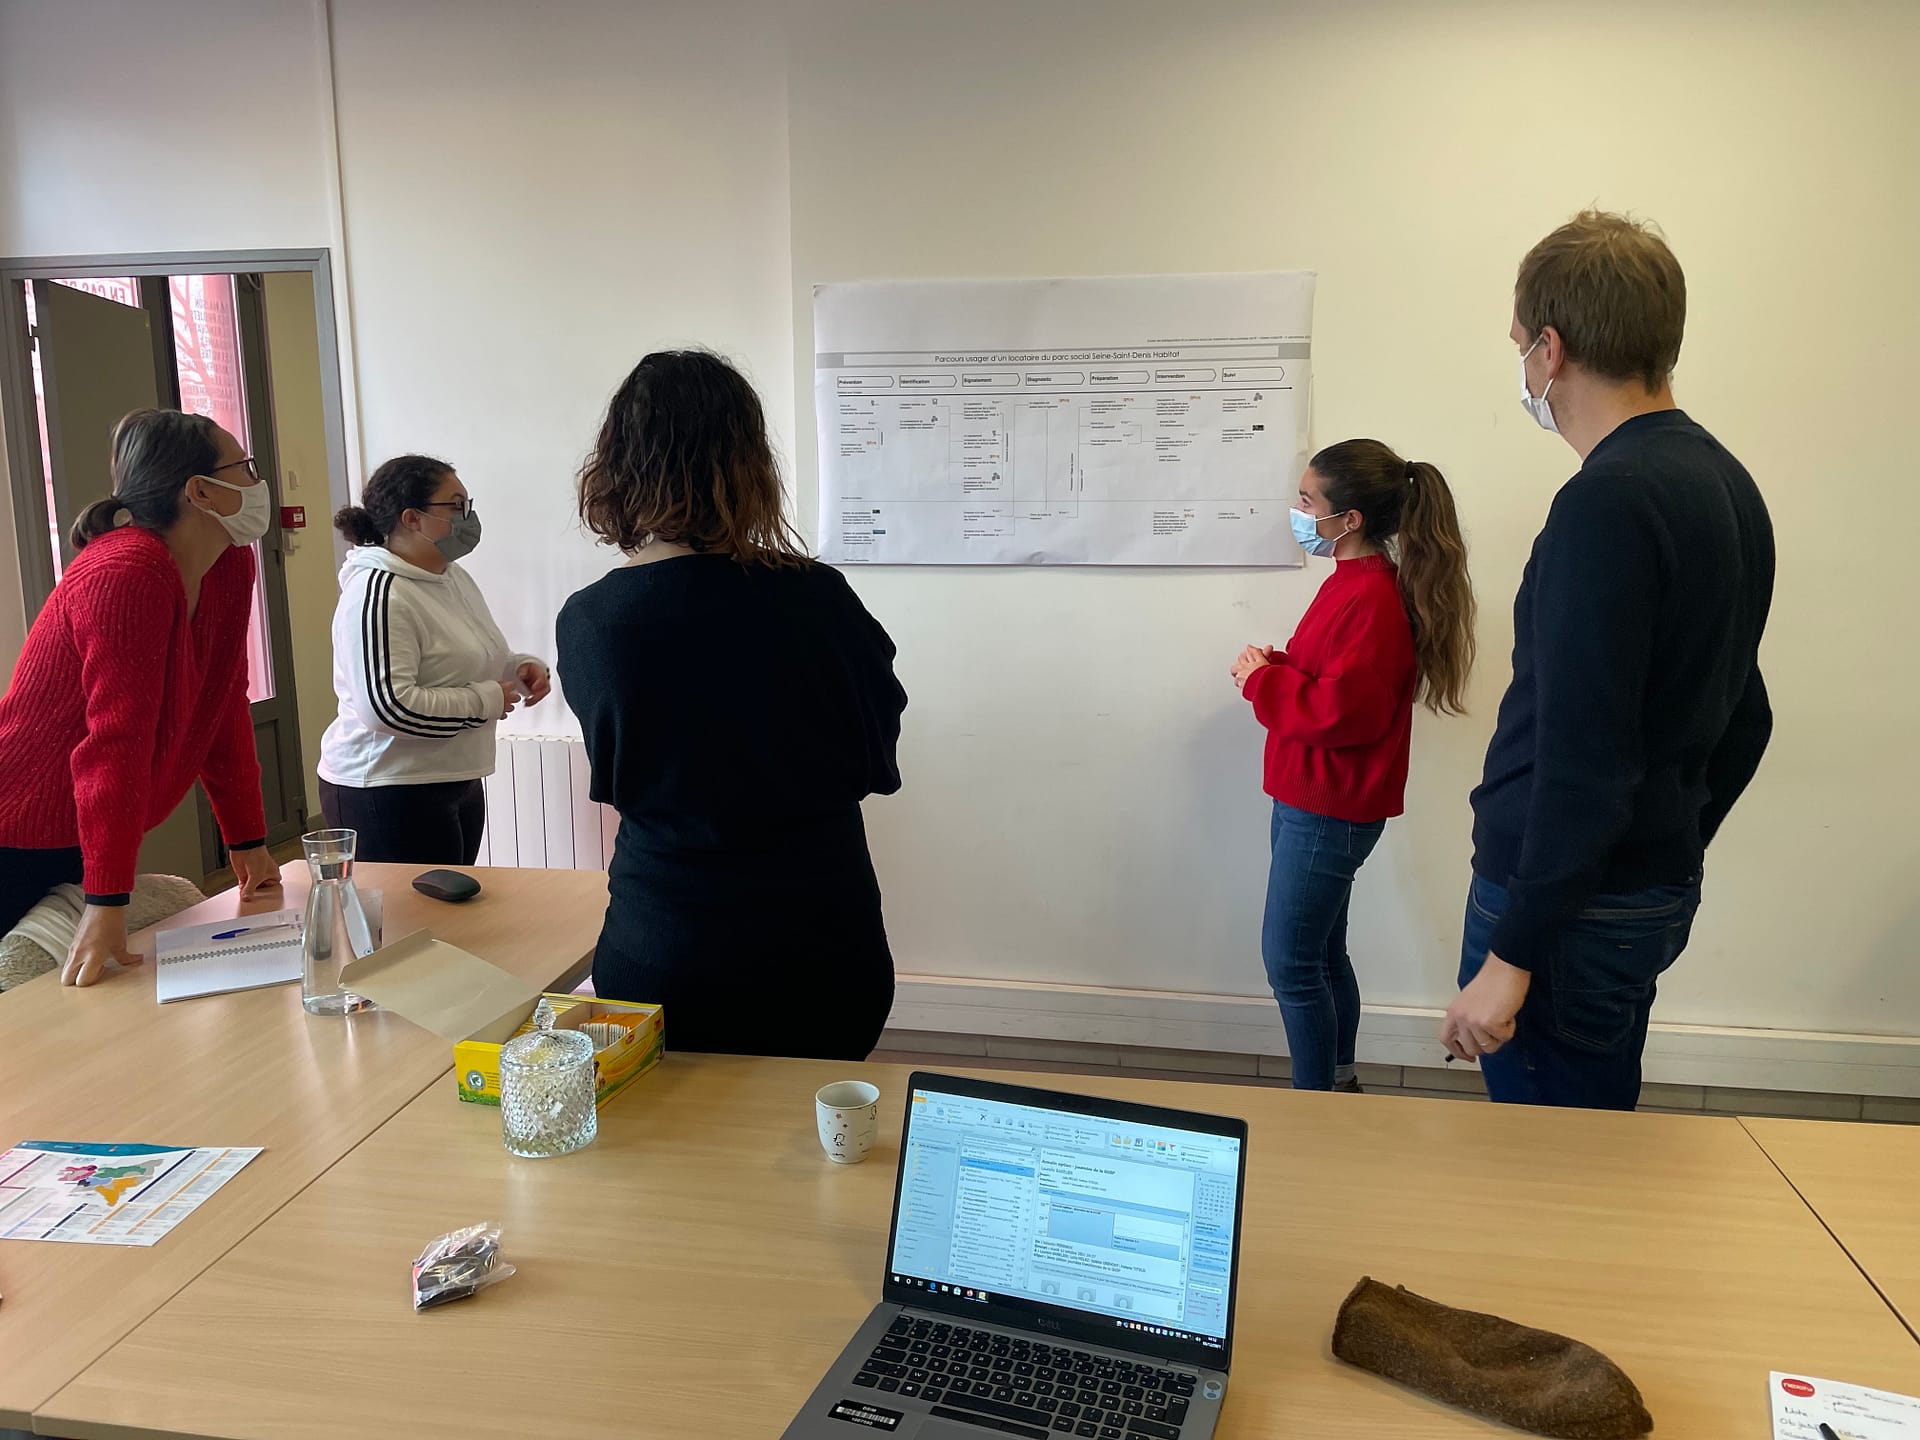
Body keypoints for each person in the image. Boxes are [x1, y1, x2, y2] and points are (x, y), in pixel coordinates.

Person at [1442, 211, 1774, 1109]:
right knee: (1590, 1145)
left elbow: (1583, 762)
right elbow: (1748, 716)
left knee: (1550, 1176)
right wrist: (1671, 842)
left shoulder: (1606, 505)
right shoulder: (1723, 481)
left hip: (1564, 916)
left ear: (1551, 350)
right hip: (1635, 893)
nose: (1522, 367)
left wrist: (1512, 958)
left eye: (1521, 347)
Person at [557, 350, 907, 1059]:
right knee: (819, 1158)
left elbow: (627, 772)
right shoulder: (822, 598)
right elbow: (878, 752)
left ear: (616, 466)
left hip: (668, 948)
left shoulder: (594, 619)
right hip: (826, 945)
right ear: (751, 464)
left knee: (677, 1152)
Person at [0, 408, 282, 985]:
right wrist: (108, 900)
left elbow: (222, 705)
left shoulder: (230, 564)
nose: (257, 482)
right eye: (244, 467)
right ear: (200, 490)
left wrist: (248, 839)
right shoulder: (125, 572)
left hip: (78, 823)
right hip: (16, 827)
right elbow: (117, 744)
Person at [1232, 440, 1476, 1091]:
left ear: (1351, 520)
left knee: (1291, 965)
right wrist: (1277, 668)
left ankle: (1315, 1108)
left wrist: (1262, 684)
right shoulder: (1350, 585)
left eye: (1308, 501)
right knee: (1320, 954)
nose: (1297, 510)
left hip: (1327, 810)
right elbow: (1330, 682)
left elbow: (1346, 715)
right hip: (1309, 800)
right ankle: (1337, 1085)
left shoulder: (1371, 599)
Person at [318, 454, 550, 864]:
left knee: (452, 921)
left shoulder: (451, 576)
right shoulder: (378, 591)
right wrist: (484, 701)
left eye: (468, 505)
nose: (468, 518)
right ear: (412, 518)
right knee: (412, 925)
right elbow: (388, 707)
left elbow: (467, 656)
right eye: (456, 505)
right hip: (388, 789)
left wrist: (516, 669)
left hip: (454, 777)